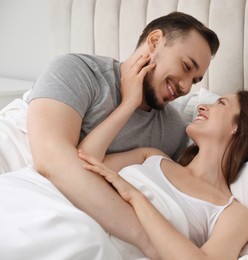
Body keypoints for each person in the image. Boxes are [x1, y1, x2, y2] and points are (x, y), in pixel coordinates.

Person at [26, 11, 219, 259]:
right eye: (185, 67)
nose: (185, 87)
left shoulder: (172, 130)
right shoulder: (78, 72)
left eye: (195, 80)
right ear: (155, 41)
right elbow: (51, 161)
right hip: (43, 209)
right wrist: (150, 243)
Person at [76, 87, 248, 259]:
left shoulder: (232, 214)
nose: (201, 106)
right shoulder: (150, 156)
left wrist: (136, 198)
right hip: (75, 220)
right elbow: (80, 162)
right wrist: (129, 103)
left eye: (221, 103)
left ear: (239, 126)